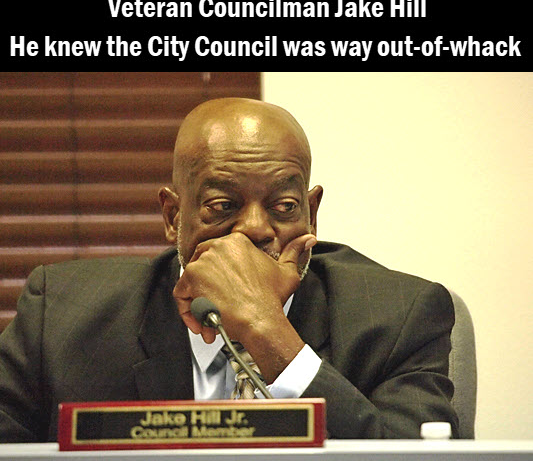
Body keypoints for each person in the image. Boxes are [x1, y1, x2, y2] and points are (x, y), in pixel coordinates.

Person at [0, 97, 459, 441]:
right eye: (222, 205)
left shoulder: (400, 318)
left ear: (311, 213)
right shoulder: (59, 319)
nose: (255, 230)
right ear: (173, 217)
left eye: (283, 205)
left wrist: (269, 333)